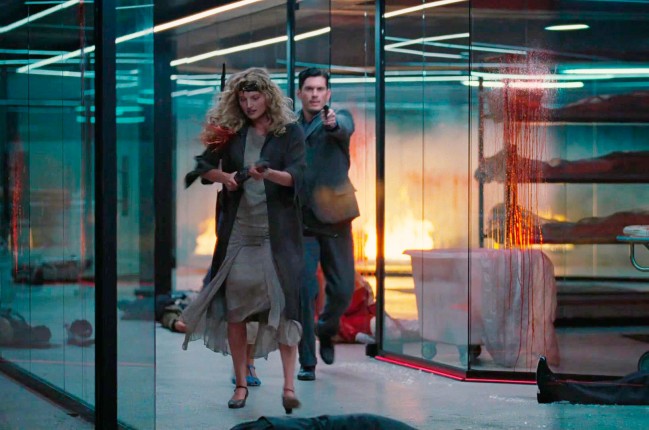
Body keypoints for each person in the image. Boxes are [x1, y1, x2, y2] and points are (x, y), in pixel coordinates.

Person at [181, 67, 306, 413]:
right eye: (243, 99)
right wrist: (225, 177)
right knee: (235, 310)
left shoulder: (289, 132)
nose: (249, 105)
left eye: (255, 97)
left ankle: (289, 386)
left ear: (268, 97)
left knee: (284, 307)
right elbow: (202, 167)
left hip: (277, 235)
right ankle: (240, 384)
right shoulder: (230, 131)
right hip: (239, 232)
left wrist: (268, 173)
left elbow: (298, 175)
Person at [295, 68, 359, 381]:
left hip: (336, 219)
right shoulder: (289, 126)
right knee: (304, 291)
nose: (315, 94)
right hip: (302, 221)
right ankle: (307, 361)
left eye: (320, 89)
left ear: (328, 94)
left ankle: (327, 328)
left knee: (343, 289)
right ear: (300, 93)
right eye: (309, 89)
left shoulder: (338, 118)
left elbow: (342, 127)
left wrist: (332, 123)